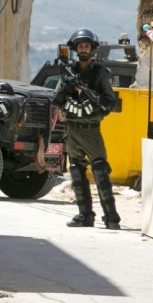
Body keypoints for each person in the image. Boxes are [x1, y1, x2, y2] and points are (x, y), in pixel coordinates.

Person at [53, 28, 121, 230]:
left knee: (100, 169)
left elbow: (110, 102)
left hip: (91, 127)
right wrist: (67, 90)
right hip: (73, 127)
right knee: (75, 170)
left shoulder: (99, 72)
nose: (83, 49)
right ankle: (84, 215)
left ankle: (112, 217)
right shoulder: (68, 72)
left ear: (92, 49)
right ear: (75, 49)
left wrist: (90, 96)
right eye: (80, 46)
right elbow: (56, 100)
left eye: (87, 46)